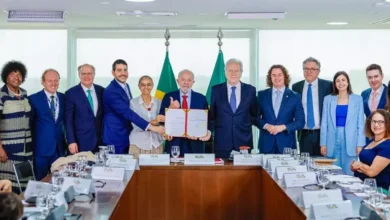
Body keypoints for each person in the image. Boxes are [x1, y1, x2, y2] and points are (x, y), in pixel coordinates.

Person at [103, 59, 164, 154]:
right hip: (115, 137)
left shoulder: (126, 86)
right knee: (117, 167)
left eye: (125, 70)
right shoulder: (111, 91)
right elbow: (127, 112)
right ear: (113, 72)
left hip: (127, 135)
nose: (123, 73)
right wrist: (152, 127)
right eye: (119, 70)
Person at [209, 58, 258, 158]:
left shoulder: (250, 90)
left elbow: (254, 114)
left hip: (244, 142)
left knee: (245, 173)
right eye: (230, 70)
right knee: (221, 173)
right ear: (225, 72)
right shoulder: (216, 90)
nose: (233, 73)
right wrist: (208, 131)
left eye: (236, 70)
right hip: (222, 143)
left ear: (241, 72)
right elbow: (212, 116)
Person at [320, 71, 365, 175]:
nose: (341, 83)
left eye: (343, 80)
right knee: (332, 173)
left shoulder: (358, 99)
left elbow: (360, 124)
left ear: (348, 82)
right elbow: (324, 123)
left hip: (351, 140)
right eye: (337, 81)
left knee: (349, 173)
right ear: (334, 84)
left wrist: (360, 144)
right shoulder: (328, 99)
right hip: (332, 139)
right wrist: (323, 143)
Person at [159, 69, 211, 156]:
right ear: (178, 81)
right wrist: (170, 109)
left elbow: (208, 120)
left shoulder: (201, 98)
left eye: (189, 80)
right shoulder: (168, 97)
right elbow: (161, 120)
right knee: (174, 169)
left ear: (193, 82)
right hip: (174, 143)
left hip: (196, 144)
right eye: (183, 79)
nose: (186, 82)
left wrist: (207, 132)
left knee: (195, 169)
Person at [0, 61, 33, 193]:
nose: (16, 77)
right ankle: (10, 213)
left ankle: (26, 212)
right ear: (6, 76)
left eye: (19, 74)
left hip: (27, 148)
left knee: (26, 185)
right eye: (13, 74)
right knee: (9, 187)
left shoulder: (24, 94)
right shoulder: (1, 95)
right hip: (9, 150)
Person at [258, 65, 305, 154]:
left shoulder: (295, 97)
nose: (277, 77)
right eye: (274, 75)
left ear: (285, 76)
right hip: (266, 144)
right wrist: (266, 126)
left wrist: (283, 127)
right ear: (270, 77)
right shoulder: (262, 95)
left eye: (279, 75)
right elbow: (255, 118)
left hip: (287, 145)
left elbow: (300, 122)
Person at [29, 69, 66, 180]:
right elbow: (29, 125)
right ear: (43, 82)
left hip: (59, 150)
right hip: (41, 150)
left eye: (56, 80)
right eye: (50, 80)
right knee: (41, 182)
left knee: (60, 180)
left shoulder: (64, 98)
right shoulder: (33, 99)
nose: (53, 84)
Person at [292, 57, 332, 156]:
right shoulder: (296, 87)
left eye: (312, 69)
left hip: (322, 134)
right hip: (304, 134)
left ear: (318, 71)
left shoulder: (328, 86)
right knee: (305, 164)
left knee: (322, 164)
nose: (309, 71)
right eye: (306, 69)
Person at [65, 64, 104, 154]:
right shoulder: (71, 93)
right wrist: (71, 141)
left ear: (94, 74)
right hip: (80, 143)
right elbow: (68, 120)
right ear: (79, 75)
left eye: (89, 73)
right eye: (83, 74)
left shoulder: (101, 91)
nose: (86, 76)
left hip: (100, 142)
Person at [351, 109, 390, 189]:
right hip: (359, 185)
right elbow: (365, 164)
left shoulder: (388, 145)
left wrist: (359, 165)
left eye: (380, 122)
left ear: (387, 124)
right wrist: (354, 167)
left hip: (375, 190)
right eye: (374, 121)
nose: (376, 125)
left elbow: (371, 172)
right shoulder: (371, 141)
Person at [129, 76, 164, 158]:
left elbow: (163, 123)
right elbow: (136, 126)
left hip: (156, 144)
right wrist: (153, 122)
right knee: (136, 171)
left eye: (149, 84)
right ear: (139, 86)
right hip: (137, 145)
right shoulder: (133, 103)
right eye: (143, 85)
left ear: (152, 86)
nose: (146, 87)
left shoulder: (159, 102)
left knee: (158, 170)